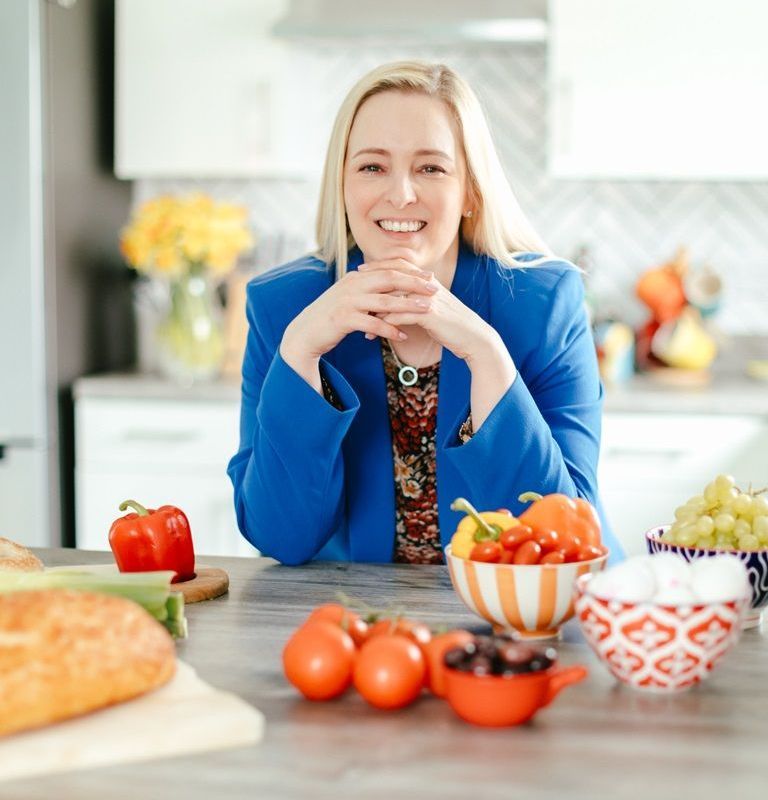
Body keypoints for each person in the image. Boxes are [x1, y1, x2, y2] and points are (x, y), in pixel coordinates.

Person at [227, 60, 624, 566]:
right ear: (343, 185)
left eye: (431, 168)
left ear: (470, 191)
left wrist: (487, 355)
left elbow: (563, 540)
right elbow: (280, 537)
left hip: (523, 621)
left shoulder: (545, 305)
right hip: (364, 625)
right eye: (372, 166)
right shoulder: (283, 309)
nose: (401, 194)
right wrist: (300, 352)